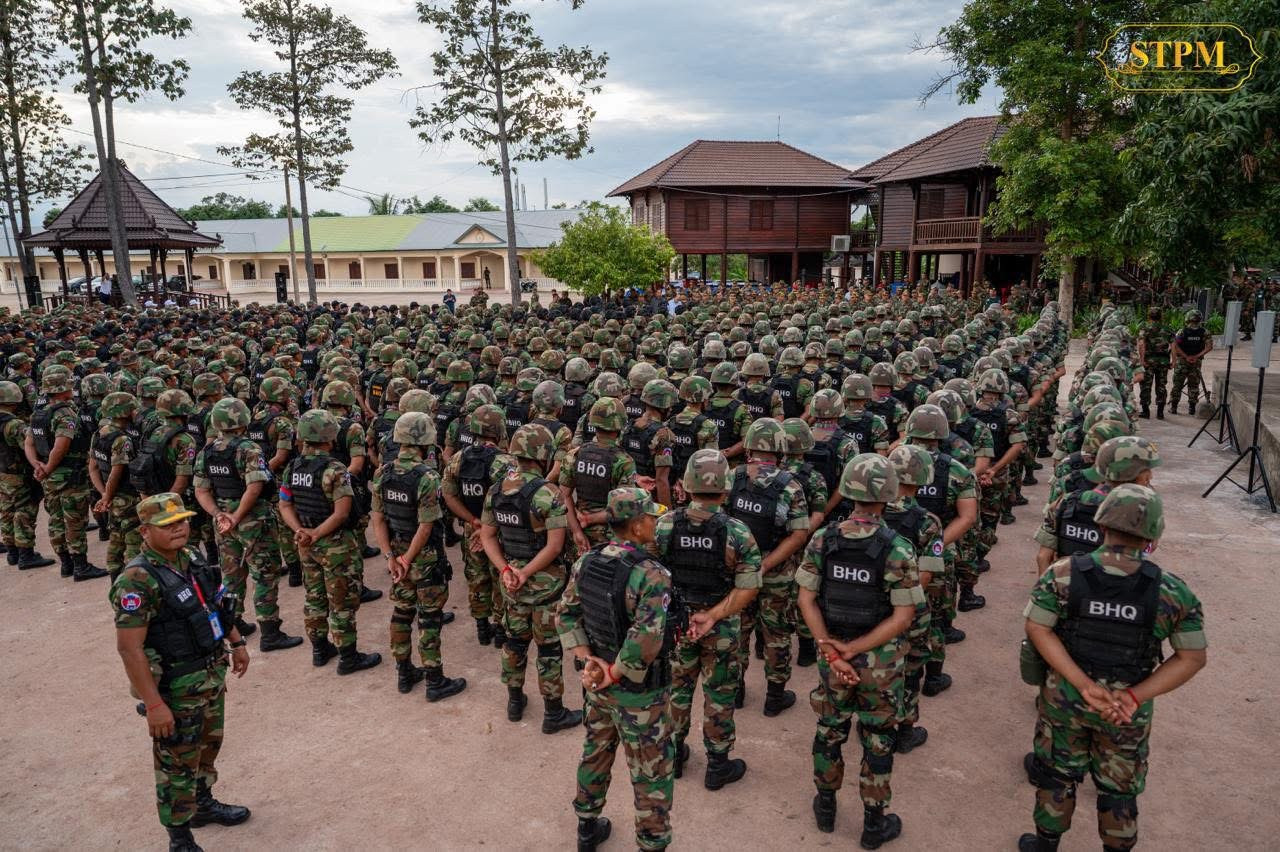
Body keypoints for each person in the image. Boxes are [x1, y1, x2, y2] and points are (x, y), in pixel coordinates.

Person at [1019, 485, 1206, 852]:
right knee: (1120, 790)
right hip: (1127, 710)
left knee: (1057, 775)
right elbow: (1192, 658)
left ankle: (1045, 844)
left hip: (1066, 700)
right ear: (1153, 535)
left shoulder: (1062, 574)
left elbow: (1037, 627)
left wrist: (1081, 683)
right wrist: (1135, 695)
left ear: (1102, 526)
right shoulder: (1171, 592)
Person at [110, 492, 251, 852]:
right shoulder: (137, 580)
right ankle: (180, 838)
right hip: (175, 687)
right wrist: (154, 704)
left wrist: (236, 642)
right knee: (175, 764)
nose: (179, 529)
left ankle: (202, 804)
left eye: (183, 521)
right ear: (145, 531)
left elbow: (214, 603)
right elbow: (130, 648)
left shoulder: (189, 557)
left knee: (206, 749)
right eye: (168, 525)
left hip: (209, 675)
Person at [795, 453, 921, 849]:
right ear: (888, 494)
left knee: (830, 730)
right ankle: (873, 824)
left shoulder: (823, 539)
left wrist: (831, 651)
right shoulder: (897, 548)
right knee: (879, 739)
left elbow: (806, 600)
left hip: (832, 655)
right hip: (879, 662)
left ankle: (827, 806)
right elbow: (902, 617)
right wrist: (854, 649)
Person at [558, 486, 676, 852]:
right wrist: (611, 672)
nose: (656, 523)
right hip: (640, 696)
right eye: (651, 517)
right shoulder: (651, 574)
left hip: (598, 687)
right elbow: (646, 639)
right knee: (650, 773)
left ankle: (586, 829)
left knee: (596, 751)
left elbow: (565, 613)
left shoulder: (588, 561)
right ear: (638, 526)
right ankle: (652, 841)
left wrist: (588, 660)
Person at [654, 448, 760, 789]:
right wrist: (713, 616)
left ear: (685, 485)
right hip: (722, 627)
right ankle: (717, 766)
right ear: (725, 489)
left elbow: (650, 575)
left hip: (678, 625)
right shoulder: (738, 533)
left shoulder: (665, 524)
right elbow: (749, 588)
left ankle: (673, 756)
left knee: (677, 690)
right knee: (720, 696)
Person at [480, 422, 582, 733]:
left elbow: (487, 536)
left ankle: (514, 700)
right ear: (543, 454)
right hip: (545, 586)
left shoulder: (497, 490)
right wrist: (525, 572)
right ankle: (553, 713)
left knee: (514, 642)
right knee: (549, 648)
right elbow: (554, 546)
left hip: (511, 585)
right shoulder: (546, 494)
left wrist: (507, 570)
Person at [369, 411, 467, 701]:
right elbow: (426, 526)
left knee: (401, 613)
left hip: (397, 554)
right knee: (429, 618)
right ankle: (435, 680)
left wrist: (390, 557)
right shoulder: (427, 477)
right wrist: (409, 559)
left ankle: (404, 672)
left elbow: (378, 519)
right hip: (422, 559)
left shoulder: (382, 472)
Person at [193, 398, 302, 653]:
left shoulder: (206, 451)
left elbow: (201, 489)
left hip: (223, 523)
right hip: (253, 521)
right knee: (264, 573)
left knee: (231, 573)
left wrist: (219, 514)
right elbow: (254, 487)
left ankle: (234, 622)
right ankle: (270, 632)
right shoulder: (249, 448)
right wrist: (237, 515)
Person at [278, 409, 382, 675]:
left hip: (306, 543)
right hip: (335, 545)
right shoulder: (335, 469)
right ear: (330, 437)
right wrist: (317, 533)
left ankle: (319, 649)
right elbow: (342, 512)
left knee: (314, 597)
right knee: (342, 601)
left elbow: (284, 504)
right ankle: (348, 656)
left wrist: (302, 530)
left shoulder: (293, 467)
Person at [26, 370, 106, 580]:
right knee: (74, 521)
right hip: (69, 476)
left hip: (48, 476)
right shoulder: (65, 414)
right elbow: (61, 446)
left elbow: (29, 443)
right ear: (63, 390)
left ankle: (66, 564)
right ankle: (81, 566)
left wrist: (38, 465)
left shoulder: (38, 413)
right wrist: (48, 468)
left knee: (56, 520)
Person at [0, 380, 53, 570]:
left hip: (3, 474)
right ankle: (26, 555)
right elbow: (31, 446)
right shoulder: (14, 424)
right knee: (25, 512)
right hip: (18, 475)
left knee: (6, 512)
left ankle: (12, 552)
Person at [1168, 309, 1211, 415]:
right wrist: (1197, 356)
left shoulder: (1182, 332)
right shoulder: (1204, 332)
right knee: (1194, 385)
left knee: (1177, 384)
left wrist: (1186, 356)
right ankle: (1192, 408)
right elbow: (1209, 346)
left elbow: (1175, 346)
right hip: (1196, 362)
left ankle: (1174, 408)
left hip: (1182, 362)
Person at [1136, 307, 1172, 420]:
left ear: (1149, 316)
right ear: (1161, 316)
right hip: (1163, 361)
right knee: (1161, 386)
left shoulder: (1144, 328)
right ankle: (1160, 413)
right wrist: (1173, 361)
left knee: (1146, 386)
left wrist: (1141, 360)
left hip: (1149, 362)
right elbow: (1174, 345)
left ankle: (1146, 412)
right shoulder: (1168, 329)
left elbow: (1141, 344)